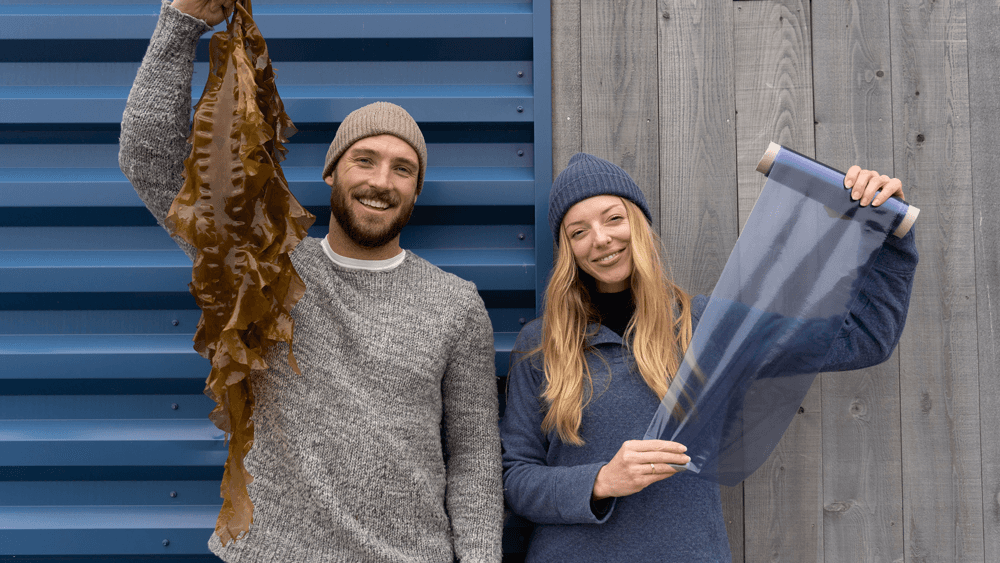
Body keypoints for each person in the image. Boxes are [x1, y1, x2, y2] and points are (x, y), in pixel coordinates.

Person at [118, 1, 503, 561]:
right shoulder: (264, 262)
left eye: (403, 168)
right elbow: (149, 159)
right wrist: (181, 24)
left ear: (417, 190)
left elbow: (473, 463)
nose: (381, 181)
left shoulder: (456, 304)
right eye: (363, 160)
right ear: (330, 173)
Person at [499, 152, 917, 562]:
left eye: (613, 218)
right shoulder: (540, 344)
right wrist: (601, 480)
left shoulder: (706, 326)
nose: (601, 238)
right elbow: (515, 479)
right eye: (578, 232)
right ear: (567, 250)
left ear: (640, 224)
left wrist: (891, 230)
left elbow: (864, 337)